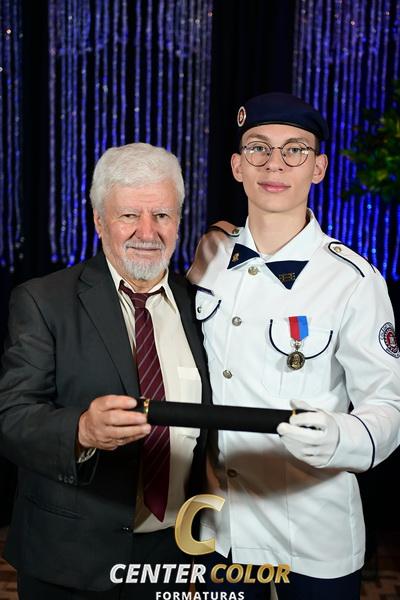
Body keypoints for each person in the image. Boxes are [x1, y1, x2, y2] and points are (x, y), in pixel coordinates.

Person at [188, 92, 400, 599]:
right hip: (218, 528)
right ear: (237, 166)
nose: (275, 164)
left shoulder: (353, 280)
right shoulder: (210, 254)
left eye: (295, 150)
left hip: (310, 534)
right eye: (258, 148)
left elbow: (389, 404)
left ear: (318, 168)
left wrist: (340, 436)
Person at [0, 142, 211, 599]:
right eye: (128, 215)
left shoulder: (205, 307)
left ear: (179, 220)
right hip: (70, 560)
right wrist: (80, 431)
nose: (147, 232)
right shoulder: (43, 301)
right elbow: (12, 419)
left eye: (161, 215)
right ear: (99, 221)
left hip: (176, 555)